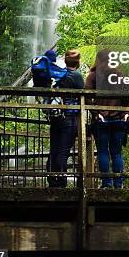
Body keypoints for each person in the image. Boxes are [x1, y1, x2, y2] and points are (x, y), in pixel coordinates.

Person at [85, 49, 129, 189]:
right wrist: (126, 112)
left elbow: (86, 95)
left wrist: (96, 111)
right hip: (118, 119)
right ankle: (118, 184)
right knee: (116, 152)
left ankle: (106, 183)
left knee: (103, 151)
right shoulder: (119, 74)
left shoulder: (93, 75)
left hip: (101, 120)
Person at [47, 49, 84, 187]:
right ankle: (60, 182)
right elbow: (83, 95)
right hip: (69, 117)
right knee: (63, 152)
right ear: (78, 62)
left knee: (54, 149)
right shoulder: (76, 76)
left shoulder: (59, 75)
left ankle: (51, 180)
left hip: (56, 117)